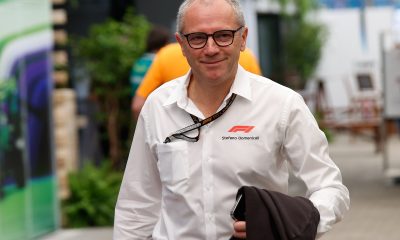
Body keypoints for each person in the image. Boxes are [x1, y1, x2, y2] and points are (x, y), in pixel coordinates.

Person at [114, 0, 350, 239]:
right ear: (181, 44)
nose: (211, 48)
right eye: (197, 38)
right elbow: (136, 206)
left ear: (243, 38)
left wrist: (286, 225)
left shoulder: (282, 105)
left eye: (223, 35)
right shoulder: (158, 107)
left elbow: (330, 188)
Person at [131, 42, 261, 120]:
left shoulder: (166, 54)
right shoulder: (244, 54)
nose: (210, 50)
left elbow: (138, 105)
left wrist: (156, 133)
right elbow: (260, 103)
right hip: (237, 136)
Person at [130, 25, 170, 110]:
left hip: (138, 108)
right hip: (153, 109)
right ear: (165, 43)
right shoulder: (159, 62)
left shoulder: (139, 61)